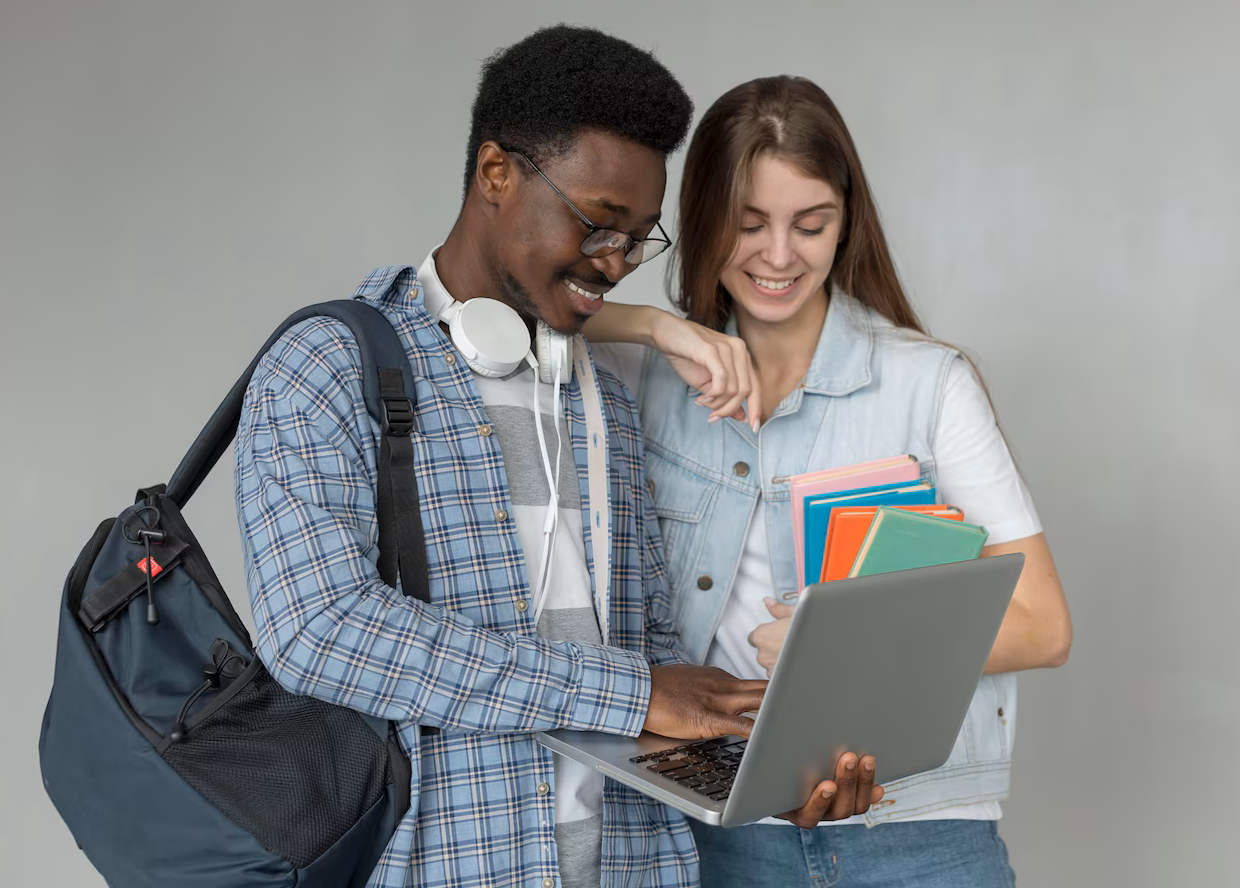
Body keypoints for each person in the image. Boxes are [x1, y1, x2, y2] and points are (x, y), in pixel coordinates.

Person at [235, 34, 879, 888]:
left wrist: (755, 778)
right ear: (497, 174)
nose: (614, 264)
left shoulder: (600, 391)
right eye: (596, 223)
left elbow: (649, 652)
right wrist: (632, 693)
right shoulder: (324, 367)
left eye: (636, 239)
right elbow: (320, 631)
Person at [586, 75, 1073, 887]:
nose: (779, 257)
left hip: (917, 834)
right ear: (703, 219)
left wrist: (838, 647)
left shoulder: (929, 383)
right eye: (748, 226)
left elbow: (1043, 625)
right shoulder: (638, 373)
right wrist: (654, 323)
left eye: (810, 225)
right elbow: (499, 302)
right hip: (711, 830)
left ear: (846, 225)